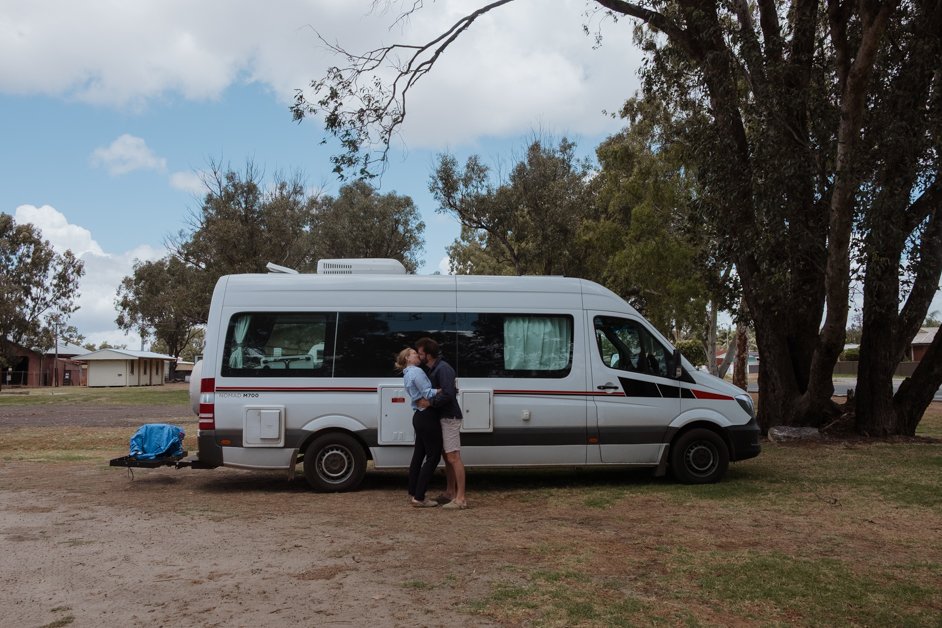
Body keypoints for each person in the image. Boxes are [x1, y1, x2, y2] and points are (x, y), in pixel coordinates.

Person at [415, 337, 468, 510]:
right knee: (447, 456)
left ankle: (461, 498)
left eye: (421, 353)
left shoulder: (443, 369)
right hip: (443, 416)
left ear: (428, 355)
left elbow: (448, 394)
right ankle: (449, 492)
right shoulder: (434, 369)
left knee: (453, 456)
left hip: (449, 417)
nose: (419, 356)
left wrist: (430, 403)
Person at [394, 348, 442, 508]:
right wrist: (444, 390)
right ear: (408, 358)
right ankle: (419, 497)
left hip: (419, 417)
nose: (418, 356)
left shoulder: (407, 373)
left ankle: (413, 491)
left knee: (419, 455)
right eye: (414, 354)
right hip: (427, 415)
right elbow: (428, 393)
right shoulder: (417, 372)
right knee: (434, 455)